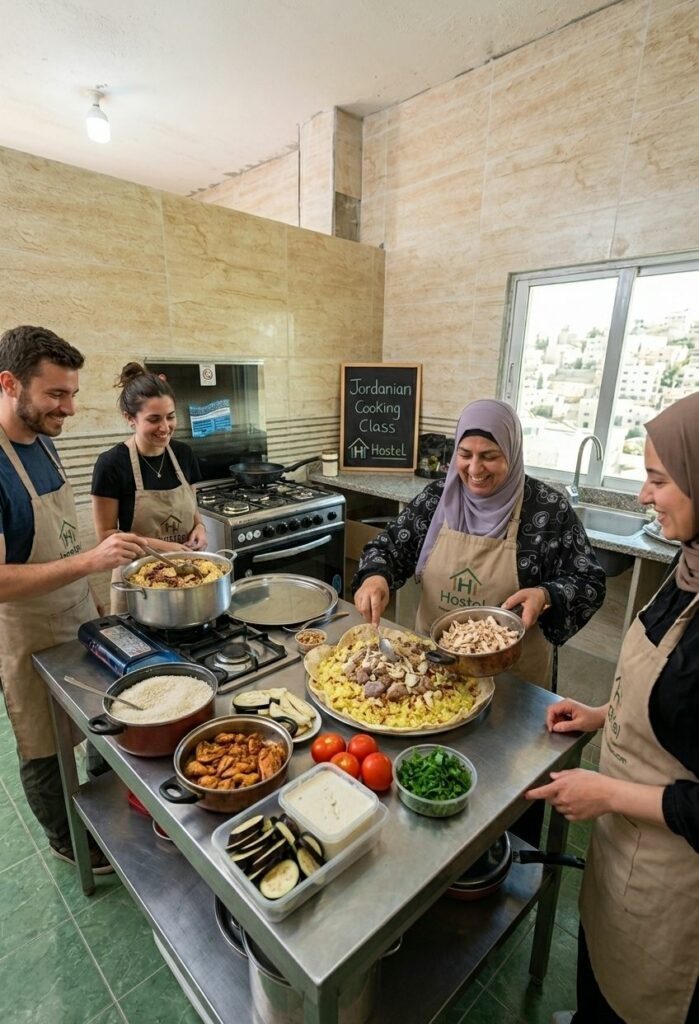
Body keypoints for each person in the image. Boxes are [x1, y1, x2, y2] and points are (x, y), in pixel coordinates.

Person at [526, 391, 699, 1024]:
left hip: (674, 877)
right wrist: (603, 712)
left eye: (658, 479)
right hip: (625, 843)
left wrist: (609, 795)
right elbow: (673, 697)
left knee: (644, 996)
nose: (643, 497)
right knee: (601, 958)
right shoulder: (688, 567)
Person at [0, 325, 147, 872]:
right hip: (27, 629)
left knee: (98, 713)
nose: (70, 407)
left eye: (73, 393)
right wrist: (90, 562)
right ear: (10, 383)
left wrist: (98, 590)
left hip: (77, 613)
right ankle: (67, 839)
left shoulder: (42, 443)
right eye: (56, 395)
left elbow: (65, 535)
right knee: (43, 741)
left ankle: (113, 803)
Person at [353, 399, 606, 690]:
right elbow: (389, 548)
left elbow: (589, 581)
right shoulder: (437, 499)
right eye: (465, 454)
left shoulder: (547, 511)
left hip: (513, 681)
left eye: (489, 456)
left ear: (511, 453)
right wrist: (375, 577)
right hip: (433, 672)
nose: (475, 468)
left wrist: (545, 595)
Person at [91, 362, 207, 613]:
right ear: (130, 418)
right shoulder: (112, 463)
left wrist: (200, 527)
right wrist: (165, 548)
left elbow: (192, 509)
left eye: (170, 416)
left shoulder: (183, 454)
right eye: (154, 419)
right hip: (139, 584)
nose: (165, 428)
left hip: (187, 577)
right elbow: (106, 534)